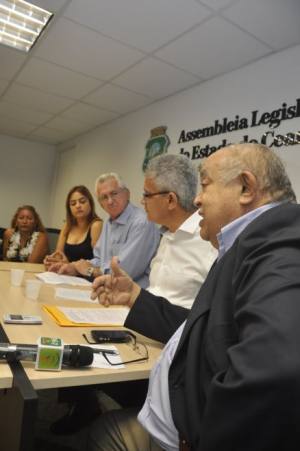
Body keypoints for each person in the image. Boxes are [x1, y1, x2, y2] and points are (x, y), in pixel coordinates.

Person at [88, 143, 300, 451]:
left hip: (187, 433)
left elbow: (276, 375)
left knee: (102, 433)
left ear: (245, 187)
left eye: (205, 185)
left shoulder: (277, 245)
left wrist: (194, 440)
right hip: (177, 408)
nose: (197, 198)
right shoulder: (243, 243)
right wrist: (136, 296)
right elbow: (210, 326)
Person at [56, 173, 160, 288]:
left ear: (127, 194)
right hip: (108, 290)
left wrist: (89, 270)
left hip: (131, 297)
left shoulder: (142, 222)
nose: (110, 201)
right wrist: (75, 267)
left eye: (114, 193)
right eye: (104, 197)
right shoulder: (109, 221)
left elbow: (122, 274)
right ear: (100, 204)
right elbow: (99, 259)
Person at [143, 153, 217, 308]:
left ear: (170, 200)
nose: (142, 201)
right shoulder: (167, 232)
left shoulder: (209, 241)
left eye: (147, 194)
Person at [44, 185, 102, 268]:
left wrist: (70, 266)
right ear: (69, 208)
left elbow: (99, 262)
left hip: (86, 277)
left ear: (90, 203)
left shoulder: (96, 225)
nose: (78, 206)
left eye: (82, 201)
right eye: (73, 203)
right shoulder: (67, 225)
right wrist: (50, 261)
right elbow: (58, 256)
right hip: (66, 276)